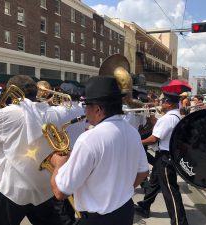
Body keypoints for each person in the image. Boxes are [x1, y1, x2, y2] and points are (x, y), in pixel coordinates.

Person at [49, 76, 149, 225]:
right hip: (124, 211)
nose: (85, 110)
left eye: (86, 105)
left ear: (97, 109)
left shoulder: (89, 139)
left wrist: (58, 163)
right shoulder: (132, 132)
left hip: (98, 219)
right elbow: (143, 172)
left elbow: (60, 192)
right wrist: (121, 192)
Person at [0, 75, 75, 225]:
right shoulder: (54, 112)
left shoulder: (11, 113)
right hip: (44, 188)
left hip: (14, 189)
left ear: (12, 93)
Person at [134, 92, 189, 225]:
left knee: (170, 192)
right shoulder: (173, 116)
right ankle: (145, 206)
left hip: (165, 157)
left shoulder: (168, 118)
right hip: (164, 157)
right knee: (154, 183)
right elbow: (158, 125)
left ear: (169, 103)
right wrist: (150, 114)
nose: (161, 102)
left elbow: (154, 138)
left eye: (163, 100)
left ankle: (179, 222)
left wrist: (136, 141)